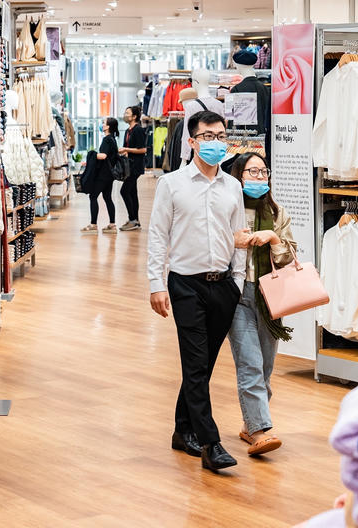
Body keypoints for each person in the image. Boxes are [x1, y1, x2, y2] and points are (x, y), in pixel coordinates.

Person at [147, 110, 246, 473]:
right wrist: (156, 284)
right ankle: (210, 442)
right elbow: (158, 235)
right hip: (185, 284)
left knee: (201, 365)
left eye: (221, 136)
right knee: (194, 362)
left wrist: (238, 282)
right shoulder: (171, 184)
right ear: (191, 141)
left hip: (223, 286)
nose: (215, 142)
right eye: (207, 136)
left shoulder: (232, 186)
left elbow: (239, 237)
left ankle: (182, 429)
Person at [227, 152, 296, 457]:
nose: (258, 177)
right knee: (250, 363)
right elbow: (211, 246)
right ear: (238, 176)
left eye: (263, 172)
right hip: (236, 293)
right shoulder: (228, 209)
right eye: (252, 171)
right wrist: (233, 240)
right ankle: (259, 431)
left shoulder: (277, 213)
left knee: (266, 366)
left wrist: (273, 239)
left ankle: (250, 422)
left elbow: (290, 257)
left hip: (269, 296)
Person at [81, 118, 119, 235]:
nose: (102, 125)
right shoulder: (112, 139)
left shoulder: (107, 139)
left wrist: (91, 155)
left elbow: (103, 156)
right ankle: (112, 225)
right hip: (109, 175)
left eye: (103, 123)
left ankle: (93, 225)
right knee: (107, 198)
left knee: (93, 196)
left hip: (103, 175)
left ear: (108, 127)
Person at [119, 105, 147, 231]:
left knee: (124, 191)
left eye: (127, 113)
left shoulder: (138, 130)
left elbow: (143, 149)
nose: (125, 115)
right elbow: (129, 148)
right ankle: (135, 220)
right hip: (129, 165)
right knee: (132, 192)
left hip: (136, 166)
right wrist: (124, 151)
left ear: (134, 116)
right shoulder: (127, 131)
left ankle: (132, 219)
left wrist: (126, 149)